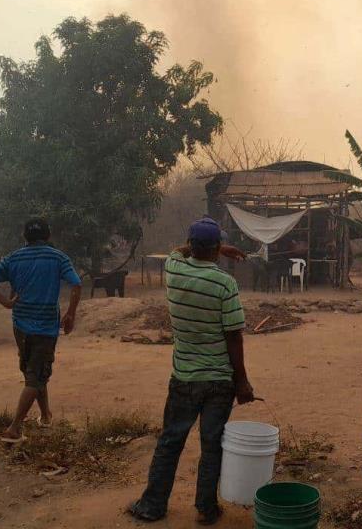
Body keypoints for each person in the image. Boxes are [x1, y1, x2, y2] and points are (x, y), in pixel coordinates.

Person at [130, 217, 255, 525]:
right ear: (216, 249)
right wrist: (242, 381)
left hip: (185, 377)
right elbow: (233, 336)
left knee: (170, 441)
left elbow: (177, 250)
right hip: (218, 381)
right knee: (212, 445)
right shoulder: (224, 283)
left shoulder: (173, 269)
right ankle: (206, 509)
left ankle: (152, 505)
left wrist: (212, 246)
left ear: (192, 245)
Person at [0, 218, 82, 443]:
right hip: (45, 328)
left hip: (21, 327)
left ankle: (45, 416)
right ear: (48, 236)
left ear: (25, 237)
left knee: (34, 371)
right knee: (35, 376)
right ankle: (14, 429)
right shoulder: (57, 257)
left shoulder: (14, 258)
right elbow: (76, 284)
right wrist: (70, 314)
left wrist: (6, 302)